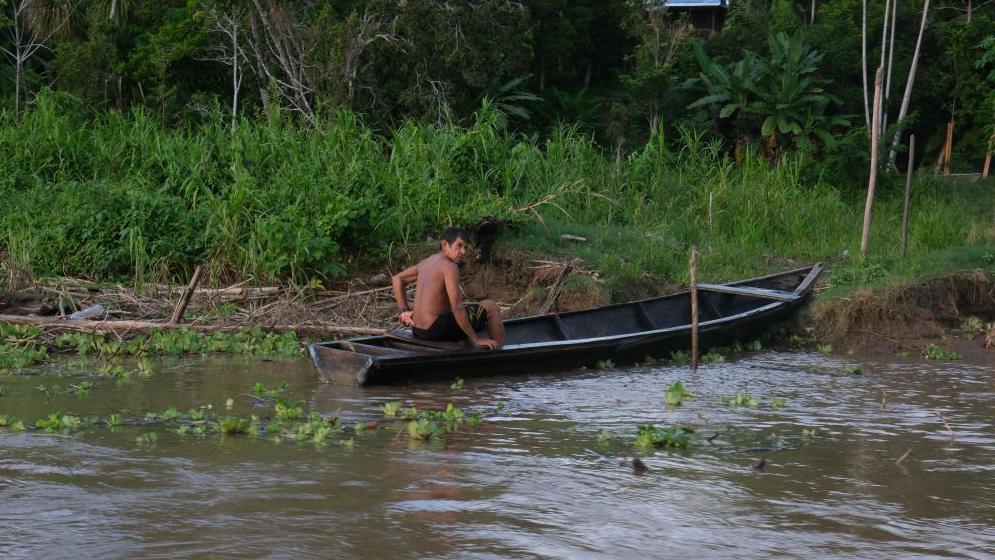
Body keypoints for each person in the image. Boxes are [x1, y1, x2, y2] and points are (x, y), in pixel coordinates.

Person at [391, 227, 506, 349]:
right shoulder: (449, 266)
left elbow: (397, 279)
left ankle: (467, 346)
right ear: (444, 244)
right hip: (435, 330)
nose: (463, 252)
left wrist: (403, 311)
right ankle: (501, 352)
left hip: (418, 330)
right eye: (459, 246)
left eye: (465, 248)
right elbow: (457, 307)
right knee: (491, 306)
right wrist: (476, 339)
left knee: (458, 314)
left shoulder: (427, 261)